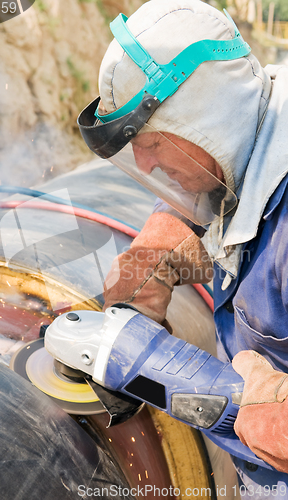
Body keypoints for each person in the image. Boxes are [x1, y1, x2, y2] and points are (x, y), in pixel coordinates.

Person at [77, 0, 288, 496]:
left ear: (205, 118)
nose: (145, 167)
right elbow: (221, 182)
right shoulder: (254, 117)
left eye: (151, 142)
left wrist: (271, 413)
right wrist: (160, 244)